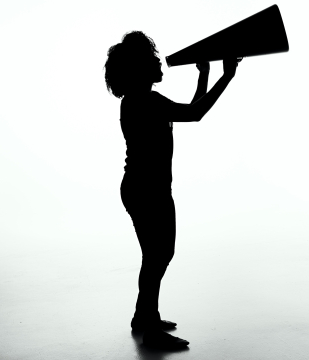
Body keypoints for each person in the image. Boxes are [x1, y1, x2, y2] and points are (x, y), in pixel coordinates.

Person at [104, 31, 239, 349]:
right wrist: (227, 76)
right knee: (157, 256)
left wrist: (204, 75)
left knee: (157, 255)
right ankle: (149, 329)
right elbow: (195, 114)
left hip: (145, 189)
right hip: (146, 191)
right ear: (141, 70)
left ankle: (143, 316)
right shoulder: (145, 102)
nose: (159, 62)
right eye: (153, 59)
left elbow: (191, 108)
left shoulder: (140, 101)